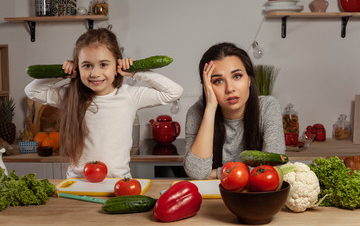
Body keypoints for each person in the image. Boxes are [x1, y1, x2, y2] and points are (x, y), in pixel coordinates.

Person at [25, 28, 183, 178]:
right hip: (78, 182)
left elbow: (174, 91)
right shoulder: (70, 95)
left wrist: (136, 71)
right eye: (87, 65)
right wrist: (62, 73)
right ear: (77, 68)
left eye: (103, 65)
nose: (95, 73)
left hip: (117, 182)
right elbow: (32, 91)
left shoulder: (129, 95)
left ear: (117, 66)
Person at [183, 42, 285, 180]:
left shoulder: (268, 107)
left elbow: (273, 165)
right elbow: (197, 172)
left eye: (237, 76)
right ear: (207, 86)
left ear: (249, 79)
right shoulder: (197, 113)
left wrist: (215, 173)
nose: (230, 88)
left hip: (256, 193)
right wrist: (210, 108)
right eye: (218, 81)